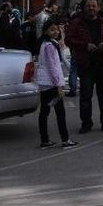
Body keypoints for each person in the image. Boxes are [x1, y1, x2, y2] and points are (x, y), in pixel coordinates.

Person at [66, 0, 103, 134]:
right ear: (84, 8)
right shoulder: (77, 23)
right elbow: (68, 39)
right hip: (86, 64)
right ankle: (86, 123)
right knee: (85, 96)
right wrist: (84, 46)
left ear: (98, 7)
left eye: (94, 6)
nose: (91, 8)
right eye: (88, 6)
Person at [35, 19, 78, 150]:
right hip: (51, 84)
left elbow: (59, 61)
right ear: (46, 31)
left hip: (45, 83)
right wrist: (59, 86)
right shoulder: (48, 46)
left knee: (44, 112)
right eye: (52, 30)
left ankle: (45, 140)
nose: (55, 32)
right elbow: (53, 67)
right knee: (60, 112)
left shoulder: (47, 43)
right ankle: (65, 140)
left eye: (56, 29)